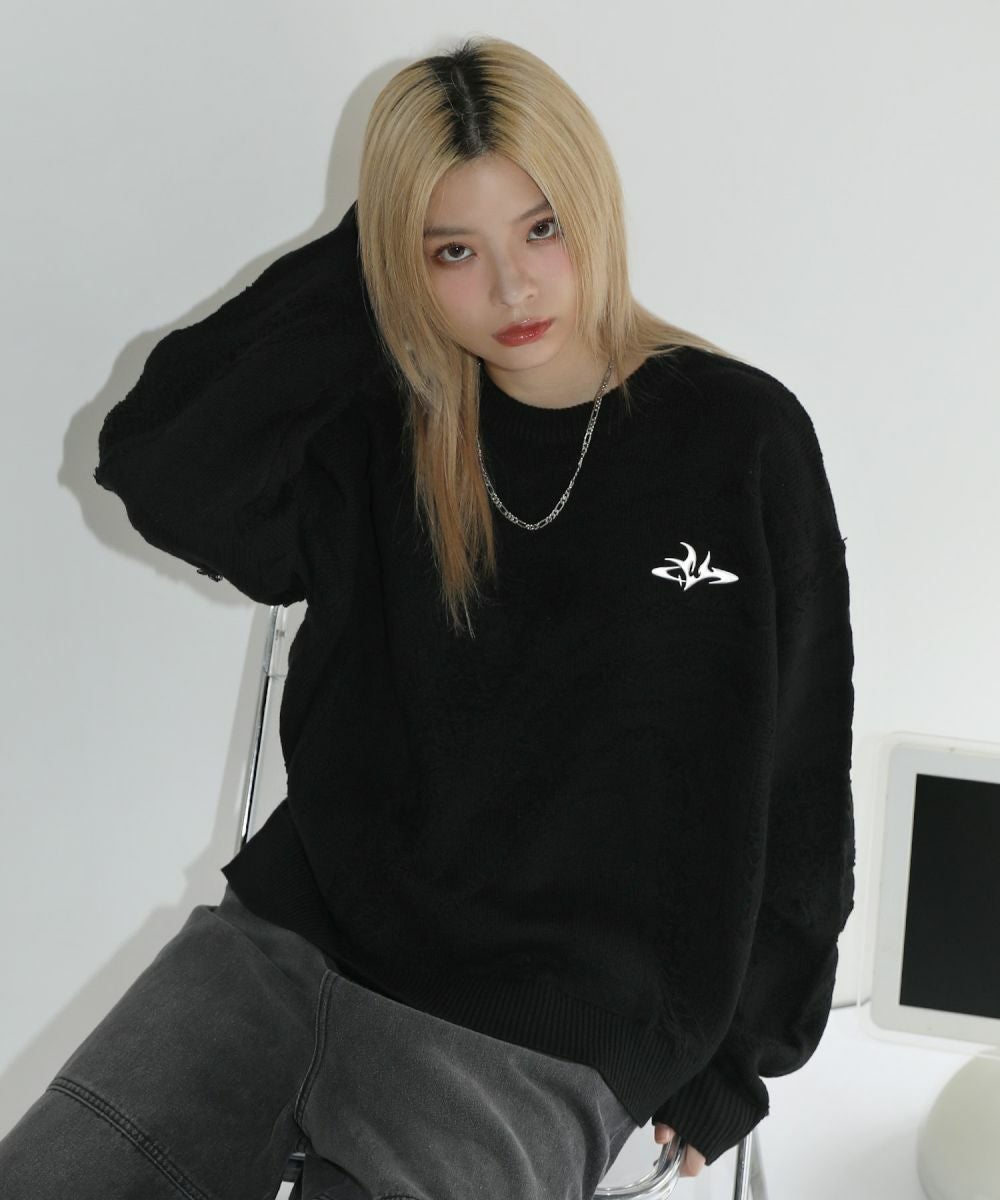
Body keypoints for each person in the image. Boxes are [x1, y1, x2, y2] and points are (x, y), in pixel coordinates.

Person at [0, 33, 855, 1198]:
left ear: (595, 205)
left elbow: (799, 768)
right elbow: (157, 465)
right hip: (287, 943)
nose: (511, 289)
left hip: (542, 1021)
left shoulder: (738, 440)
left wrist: (742, 1057)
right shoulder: (382, 427)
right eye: (454, 250)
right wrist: (373, 263)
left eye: (540, 229)